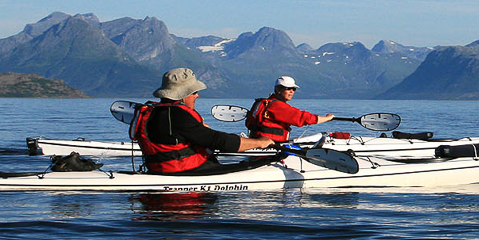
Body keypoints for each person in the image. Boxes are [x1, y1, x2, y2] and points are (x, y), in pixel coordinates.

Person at [134, 68, 282, 175]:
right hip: (184, 171)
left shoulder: (153, 110)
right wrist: (259, 142)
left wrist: (197, 128)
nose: (197, 96)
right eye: (194, 92)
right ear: (183, 95)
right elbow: (218, 141)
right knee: (264, 162)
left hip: (157, 168)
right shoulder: (179, 115)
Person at [245, 75, 335, 142]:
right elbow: (302, 118)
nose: (292, 91)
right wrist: (327, 118)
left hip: (259, 141)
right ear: (278, 90)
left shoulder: (263, 103)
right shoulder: (277, 106)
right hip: (270, 146)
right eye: (288, 88)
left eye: (293, 89)